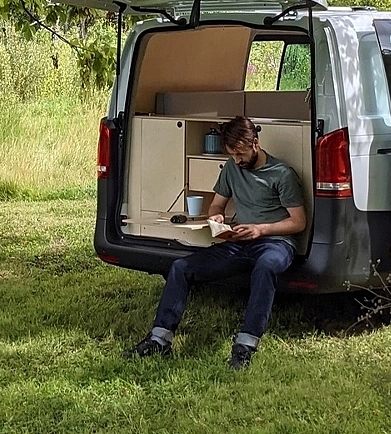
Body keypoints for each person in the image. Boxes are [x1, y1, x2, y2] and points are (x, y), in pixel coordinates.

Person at [124, 115, 307, 370]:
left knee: (266, 266)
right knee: (180, 267)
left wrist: (259, 229)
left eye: (241, 154)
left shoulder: (281, 174)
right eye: (232, 155)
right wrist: (217, 218)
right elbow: (217, 204)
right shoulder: (233, 168)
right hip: (239, 241)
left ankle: (245, 346)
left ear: (255, 143)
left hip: (275, 242)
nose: (237, 160)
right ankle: (159, 339)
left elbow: (298, 222)